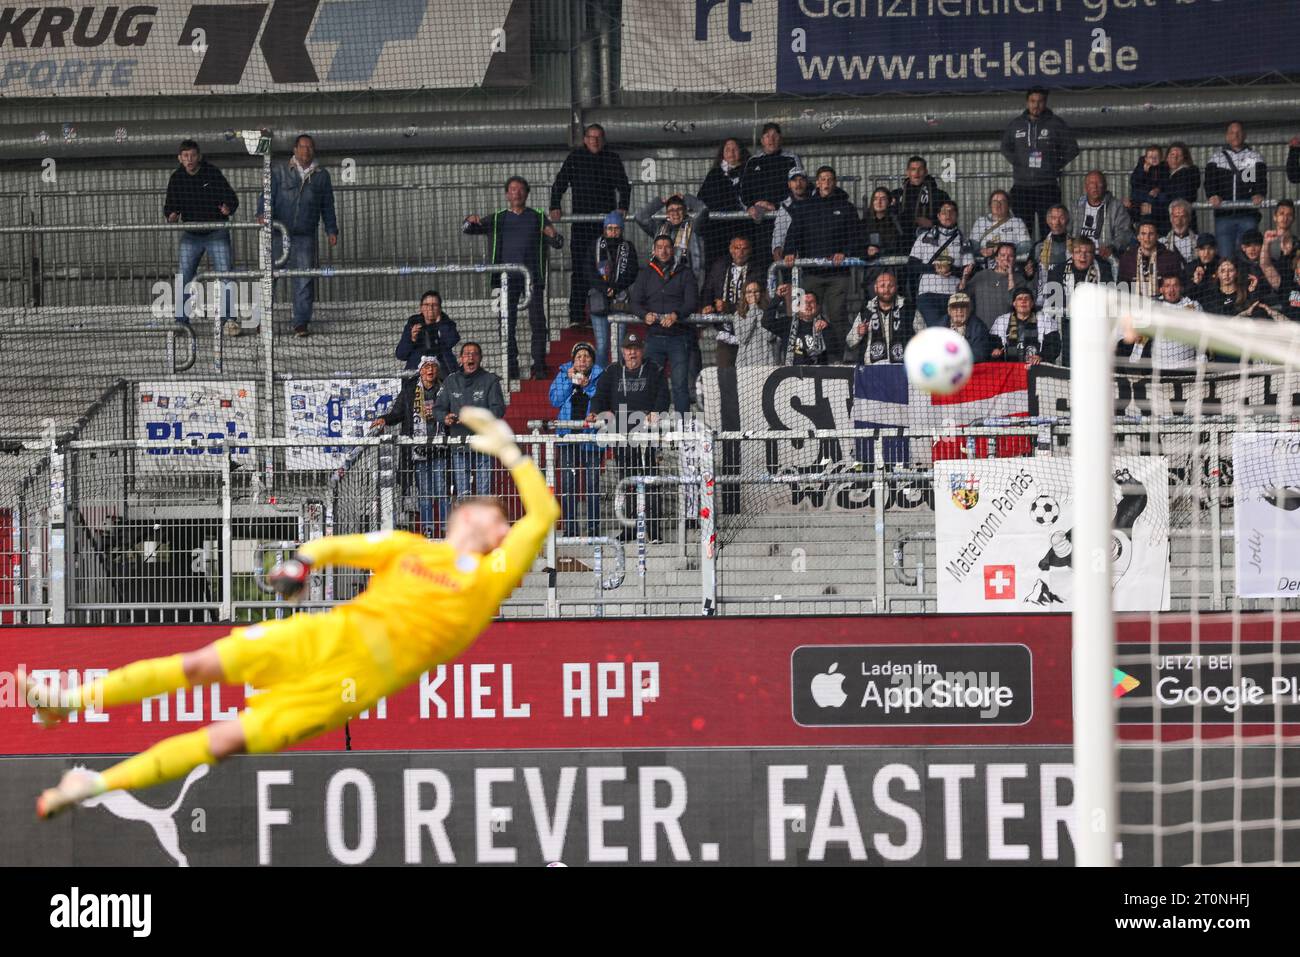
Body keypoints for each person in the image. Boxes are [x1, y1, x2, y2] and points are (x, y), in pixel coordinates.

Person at [27, 406, 558, 819]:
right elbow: (329, 547)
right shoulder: (409, 546)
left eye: (506, 524)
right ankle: (68, 702)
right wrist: (299, 563)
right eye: (497, 515)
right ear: (470, 515)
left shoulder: (492, 578)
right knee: (198, 666)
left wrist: (512, 453)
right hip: (325, 635)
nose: (507, 528)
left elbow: (545, 513)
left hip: (351, 684)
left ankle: (95, 784)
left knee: (225, 739)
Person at [463, 175, 564, 380]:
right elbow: (468, 230)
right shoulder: (498, 217)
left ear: (526, 193)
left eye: (520, 189)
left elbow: (558, 243)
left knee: (538, 322)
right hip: (504, 279)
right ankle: (511, 367)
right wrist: (469, 220)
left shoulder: (537, 216)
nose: (516, 192)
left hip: (533, 278)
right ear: (507, 194)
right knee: (506, 323)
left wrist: (553, 235)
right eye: (512, 189)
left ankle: (539, 366)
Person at [588, 330, 670, 543]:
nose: (632, 353)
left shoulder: (654, 369)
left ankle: (653, 530)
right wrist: (596, 411)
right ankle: (630, 528)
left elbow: (664, 395)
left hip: (647, 435)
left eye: (635, 349)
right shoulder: (612, 371)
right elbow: (600, 395)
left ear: (641, 350)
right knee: (626, 482)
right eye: (628, 350)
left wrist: (657, 411)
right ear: (622, 351)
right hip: (623, 437)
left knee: (651, 481)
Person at [549, 123, 631, 329]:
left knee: (610, 268)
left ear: (603, 140)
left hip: (606, 227)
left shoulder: (612, 158)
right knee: (579, 269)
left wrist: (623, 207)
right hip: (582, 225)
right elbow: (559, 183)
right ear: (585, 139)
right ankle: (577, 316)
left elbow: (624, 185)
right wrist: (554, 205)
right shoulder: (575, 158)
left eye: (598, 137)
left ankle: (612, 311)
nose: (594, 140)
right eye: (591, 137)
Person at [257, 133, 338, 337]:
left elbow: (327, 205)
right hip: (277, 232)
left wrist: (331, 229)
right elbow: (266, 196)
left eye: (310, 147)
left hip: (305, 234)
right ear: (294, 150)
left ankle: (301, 323)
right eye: (302, 147)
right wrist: (261, 214)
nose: (306, 151)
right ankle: (263, 321)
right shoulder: (278, 172)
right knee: (269, 278)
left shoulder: (321, 176)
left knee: (304, 279)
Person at [780, 165, 860, 344]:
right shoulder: (805, 207)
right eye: (822, 179)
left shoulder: (846, 208)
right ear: (817, 183)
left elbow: (855, 236)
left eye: (830, 179)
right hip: (810, 274)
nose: (826, 182)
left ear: (835, 182)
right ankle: (806, 353)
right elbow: (794, 233)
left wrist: (844, 253)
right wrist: (790, 252)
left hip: (838, 275)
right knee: (805, 314)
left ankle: (839, 357)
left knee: (837, 315)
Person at [163, 139, 238, 327]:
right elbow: (170, 208)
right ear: (180, 158)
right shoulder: (176, 178)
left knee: (226, 275)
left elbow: (231, 198)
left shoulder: (212, 173)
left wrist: (228, 208)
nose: (189, 159)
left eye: (193, 155)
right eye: (185, 156)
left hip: (216, 232)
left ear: (199, 157)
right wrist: (171, 215)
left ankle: (228, 319)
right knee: (184, 275)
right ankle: (181, 321)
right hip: (191, 234)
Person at [372, 355, 449, 538]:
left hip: (441, 449)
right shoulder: (409, 391)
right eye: (426, 367)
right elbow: (397, 413)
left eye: (433, 366)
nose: (430, 370)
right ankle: (429, 531)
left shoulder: (446, 389)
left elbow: (454, 410)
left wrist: (443, 413)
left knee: (442, 492)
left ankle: (446, 531)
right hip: (418, 452)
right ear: (420, 371)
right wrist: (385, 419)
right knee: (424, 494)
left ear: (437, 370)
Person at [629, 234, 698, 414]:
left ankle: (683, 432)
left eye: (667, 247)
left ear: (673, 250)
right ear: (654, 250)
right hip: (654, 338)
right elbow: (634, 302)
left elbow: (692, 302)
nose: (664, 250)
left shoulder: (685, 271)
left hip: (679, 337)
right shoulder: (646, 273)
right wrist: (644, 315)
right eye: (659, 247)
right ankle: (654, 428)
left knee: (680, 386)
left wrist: (677, 314)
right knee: (654, 385)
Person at [1000, 86, 1080, 239]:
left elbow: (1072, 148)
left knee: (1050, 230)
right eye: (1032, 101)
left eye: (1040, 101)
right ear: (1027, 102)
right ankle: (1026, 262)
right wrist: (1019, 163)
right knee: (1022, 232)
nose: (1036, 105)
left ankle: (1047, 261)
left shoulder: (1056, 123)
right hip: (1022, 187)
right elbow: (1005, 147)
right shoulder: (1016, 124)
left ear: (1045, 103)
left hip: (1047, 187)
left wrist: (1053, 165)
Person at [435, 342, 508, 498]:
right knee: (463, 494)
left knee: (484, 492)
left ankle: (484, 522)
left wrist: (476, 419)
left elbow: (499, 410)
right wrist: (445, 418)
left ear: (480, 358)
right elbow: (438, 409)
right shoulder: (450, 381)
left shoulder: (490, 380)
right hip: (459, 443)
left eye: (474, 353)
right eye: (467, 353)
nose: (470, 356)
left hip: (484, 442)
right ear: (460, 359)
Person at [548, 342, 604, 538]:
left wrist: (587, 387)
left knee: (592, 485)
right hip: (567, 437)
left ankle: (593, 529)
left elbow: (603, 399)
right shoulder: (563, 374)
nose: (582, 360)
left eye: (586, 356)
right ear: (573, 360)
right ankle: (571, 529)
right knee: (568, 484)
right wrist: (570, 381)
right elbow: (555, 400)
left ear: (592, 360)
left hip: (592, 437)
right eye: (578, 356)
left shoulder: (600, 375)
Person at [1037, 236, 1113, 367]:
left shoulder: (1103, 270)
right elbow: (1053, 303)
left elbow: (1109, 298)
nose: (1082, 257)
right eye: (1078, 252)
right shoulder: (1058, 271)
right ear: (1072, 254)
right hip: (1066, 326)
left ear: (1093, 255)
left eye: (1087, 253)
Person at [1205, 121, 1267, 262]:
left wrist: (1258, 194)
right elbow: (1210, 182)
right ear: (1227, 136)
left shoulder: (1253, 157)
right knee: (1226, 258)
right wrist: (1212, 196)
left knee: (1248, 258)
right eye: (1232, 132)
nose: (1236, 135)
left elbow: (1256, 181)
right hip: (1223, 216)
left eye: (1239, 132)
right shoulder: (1217, 158)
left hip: (1247, 215)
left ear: (1244, 135)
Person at [701, 234, 763, 368]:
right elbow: (708, 289)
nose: (740, 252)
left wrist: (727, 307)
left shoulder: (757, 270)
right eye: (737, 248)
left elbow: (755, 302)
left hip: (750, 331)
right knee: (724, 374)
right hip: (726, 331)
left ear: (750, 250)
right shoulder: (720, 266)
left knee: (750, 375)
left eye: (744, 248)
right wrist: (708, 306)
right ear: (730, 249)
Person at [741, 122, 802, 255]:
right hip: (759, 224)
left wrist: (775, 205)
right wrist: (750, 206)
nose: (771, 139)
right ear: (762, 140)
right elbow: (744, 191)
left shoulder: (791, 159)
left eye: (775, 135)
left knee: (785, 261)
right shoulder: (753, 161)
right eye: (767, 136)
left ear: (780, 138)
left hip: (785, 219)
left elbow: (799, 188)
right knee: (762, 260)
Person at [587, 211, 639, 366]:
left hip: (620, 301)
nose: (613, 232)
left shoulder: (628, 247)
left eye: (616, 228)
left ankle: (618, 380)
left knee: (619, 347)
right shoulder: (595, 246)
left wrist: (615, 288)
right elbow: (588, 271)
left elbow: (632, 271)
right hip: (598, 301)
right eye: (610, 228)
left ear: (621, 230)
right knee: (602, 346)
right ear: (604, 229)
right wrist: (604, 288)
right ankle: (601, 381)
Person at [909, 200, 972, 327]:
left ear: (956, 216)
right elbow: (912, 266)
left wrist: (951, 270)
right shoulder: (923, 237)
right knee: (937, 328)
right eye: (944, 212)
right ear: (938, 216)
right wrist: (935, 269)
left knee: (954, 329)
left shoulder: (963, 240)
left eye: (951, 211)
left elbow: (969, 268)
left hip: (954, 295)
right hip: (928, 294)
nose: (947, 214)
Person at [697, 137, 751, 268]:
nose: (731, 153)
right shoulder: (714, 174)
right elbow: (702, 199)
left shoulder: (750, 171)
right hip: (717, 232)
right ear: (722, 153)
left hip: (742, 229)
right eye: (728, 150)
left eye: (735, 149)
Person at [846, 270, 915, 365]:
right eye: (882, 286)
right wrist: (858, 333)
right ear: (875, 288)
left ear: (896, 287)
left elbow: (924, 337)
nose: (886, 290)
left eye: (890, 286)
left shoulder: (908, 309)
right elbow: (850, 342)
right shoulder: (866, 310)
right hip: (872, 368)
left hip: (903, 367)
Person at [763, 285, 843, 366]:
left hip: (818, 373)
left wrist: (826, 329)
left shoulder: (824, 326)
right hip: (792, 373)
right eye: (804, 302)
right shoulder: (788, 324)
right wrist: (777, 297)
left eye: (812, 302)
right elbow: (766, 322)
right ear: (798, 307)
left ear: (818, 307)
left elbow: (834, 352)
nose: (808, 305)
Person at [395, 291, 460, 386]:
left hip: (443, 374)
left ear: (440, 308)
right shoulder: (413, 323)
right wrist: (412, 338)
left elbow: (451, 340)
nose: (430, 308)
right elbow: (401, 355)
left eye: (434, 305)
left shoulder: (447, 323)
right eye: (427, 304)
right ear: (421, 308)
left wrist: (440, 323)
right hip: (416, 376)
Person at [1072, 170, 1133, 264]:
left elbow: (1125, 233)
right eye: (1091, 183)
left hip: (1104, 257)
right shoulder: (1077, 205)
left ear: (1105, 186)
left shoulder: (1116, 206)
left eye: (1098, 183)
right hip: (1078, 255)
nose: (1095, 187)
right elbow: (1067, 230)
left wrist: (1112, 247)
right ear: (1086, 187)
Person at [1147, 273, 1204, 373]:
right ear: (1161, 290)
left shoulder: (1192, 306)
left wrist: (1202, 360)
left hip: (1188, 369)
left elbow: (1202, 336)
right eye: (1167, 286)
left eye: (1175, 285)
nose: (1171, 290)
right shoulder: (1153, 307)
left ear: (1181, 288)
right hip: (1160, 369)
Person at [991, 286, 1060, 366]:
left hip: (1037, 368)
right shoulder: (1001, 321)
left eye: (1027, 298)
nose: (1023, 301)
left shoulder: (1045, 320)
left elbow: (1054, 346)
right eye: (1019, 299)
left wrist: (1041, 357)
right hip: (1009, 368)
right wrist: (996, 350)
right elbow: (991, 343)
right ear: (1014, 303)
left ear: (1032, 303)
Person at [968, 242, 1030, 330]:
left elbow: (1012, 301)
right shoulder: (981, 275)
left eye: (1010, 256)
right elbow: (964, 294)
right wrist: (964, 278)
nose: (1006, 259)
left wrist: (1010, 275)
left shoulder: (1020, 280)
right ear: (996, 258)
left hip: (1007, 330)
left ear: (1014, 259)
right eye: (1002, 255)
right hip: (982, 330)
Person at [1118, 219, 1185, 299]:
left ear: (1157, 236)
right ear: (1138, 237)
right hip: (1134, 306)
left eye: (1151, 234)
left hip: (1163, 307)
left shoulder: (1170, 258)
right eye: (1143, 234)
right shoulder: (1127, 259)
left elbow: (1178, 287)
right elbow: (1121, 289)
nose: (1147, 238)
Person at [969, 189, 1032, 266]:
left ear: (1008, 205)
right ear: (990, 205)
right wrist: (981, 251)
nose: (998, 205)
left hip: (1011, 267)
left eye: (1002, 202)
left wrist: (1002, 251)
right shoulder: (980, 221)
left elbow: (1026, 246)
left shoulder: (1017, 222)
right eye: (994, 202)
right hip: (985, 268)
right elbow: (972, 246)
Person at [891, 155, 950, 237]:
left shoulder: (940, 195)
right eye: (913, 169)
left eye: (920, 169)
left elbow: (950, 219)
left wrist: (933, 223)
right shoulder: (896, 194)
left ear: (926, 172)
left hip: (931, 240)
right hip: (902, 243)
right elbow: (888, 219)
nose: (917, 173)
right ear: (907, 172)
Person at [732, 280, 783, 366]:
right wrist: (753, 309)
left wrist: (758, 312)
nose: (752, 295)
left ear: (761, 293)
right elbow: (743, 338)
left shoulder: (771, 312)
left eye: (756, 291)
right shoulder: (738, 314)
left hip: (767, 362)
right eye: (749, 292)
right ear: (744, 295)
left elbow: (769, 336)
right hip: (746, 364)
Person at [861, 186, 908, 274]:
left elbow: (902, 247)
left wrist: (880, 251)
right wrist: (866, 250)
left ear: (889, 202)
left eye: (883, 199)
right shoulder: (865, 223)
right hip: (872, 272)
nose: (879, 202)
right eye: (875, 199)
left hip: (894, 271)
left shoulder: (897, 222)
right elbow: (857, 246)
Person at [770, 166, 812, 263]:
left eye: (801, 180)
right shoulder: (785, 207)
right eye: (794, 180)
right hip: (792, 259)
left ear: (807, 182)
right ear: (789, 184)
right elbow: (779, 231)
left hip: (812, 255)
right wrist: (777, 247)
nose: (798, 184)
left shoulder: (816, 201)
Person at [1126, 145, 1170, 231]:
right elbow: (1134, 182)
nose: (1153, 159)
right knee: (1134, 199)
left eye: (1156, 157)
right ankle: (1134, 221)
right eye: (1150, 157)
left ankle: (1152, 222)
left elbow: (1165, 181)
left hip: (1155, 195)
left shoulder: (1163, 168)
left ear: (1161, 158)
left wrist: (1158, 189)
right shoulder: (1141, 167)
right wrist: (1143, 171)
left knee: (1161, 198)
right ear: (1146, 159)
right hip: (1142, 193)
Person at [943, 292, 993, 364]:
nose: (959, 311)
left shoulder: (979, 327)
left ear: (969, 310)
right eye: (955, 307)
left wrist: (956, 360)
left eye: (963, 307)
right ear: (949, 311)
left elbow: (980, 354)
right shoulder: (939, 327)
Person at [1031, 204, 1072, 291]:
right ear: (1048, 221)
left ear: (1067, 220)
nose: (1057, 222)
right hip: (1046, 293)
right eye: (1053, 218)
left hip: (1069, 291)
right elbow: (1031, 275)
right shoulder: (1039, 247)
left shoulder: (1075, 245)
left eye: (1061, 218)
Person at [1164, 142, 1202, 233]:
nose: (1175, 158)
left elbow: (1182, 196)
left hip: (1184, 221)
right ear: (1167, 157)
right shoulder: (1163, 174)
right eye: (1172, 154)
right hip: (1164, 222)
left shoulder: (1189, 172)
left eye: (1179, 155)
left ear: (1184, 158)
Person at [1184, 233, 1223, 301]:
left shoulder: (1222, 265)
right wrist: (1195, 283)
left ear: (1215, 250)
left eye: (1210, 248)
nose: (1206, 253)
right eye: (1202, 249)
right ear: (1197, 251)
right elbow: (1186, 296)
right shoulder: (1190, 267)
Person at [1162, 199, 1198, 266]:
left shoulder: (1198, 241)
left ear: (1189, 218)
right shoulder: (1161, 243)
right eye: (1176, 217)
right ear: (1171, 219)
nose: (1179, 221)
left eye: (1183, 216)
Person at [1266, 199, 1296, 264]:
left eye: (1289, 215)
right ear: (1275, 217)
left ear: (1293, 219)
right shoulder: (1267, 242)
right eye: (1281, 214)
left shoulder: (1297, 244)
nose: (1285, 218)